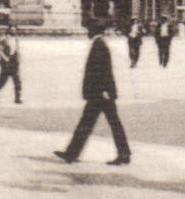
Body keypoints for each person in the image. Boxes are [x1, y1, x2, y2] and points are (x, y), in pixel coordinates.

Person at [55, 24, 131, 166]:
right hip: (100, 93)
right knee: (92, 123)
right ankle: (72, 153)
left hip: (100, 94)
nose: (87, 32)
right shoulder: (99, 44)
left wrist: (106, 91)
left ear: (94, 31)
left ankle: (123, 154)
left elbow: (103, 70)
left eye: (89, 30)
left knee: (102, 123)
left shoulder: (99, 45)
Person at [0, 37, 22, 104]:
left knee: (17, 81)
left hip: (14, 62)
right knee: (3, 80)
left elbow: (17, 49)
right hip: (6, 63)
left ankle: (17, 98)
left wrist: (18, 58)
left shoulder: (16, 39)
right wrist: (6, 59)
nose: (13, 30)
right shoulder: (4, 39)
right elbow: (0, 51)